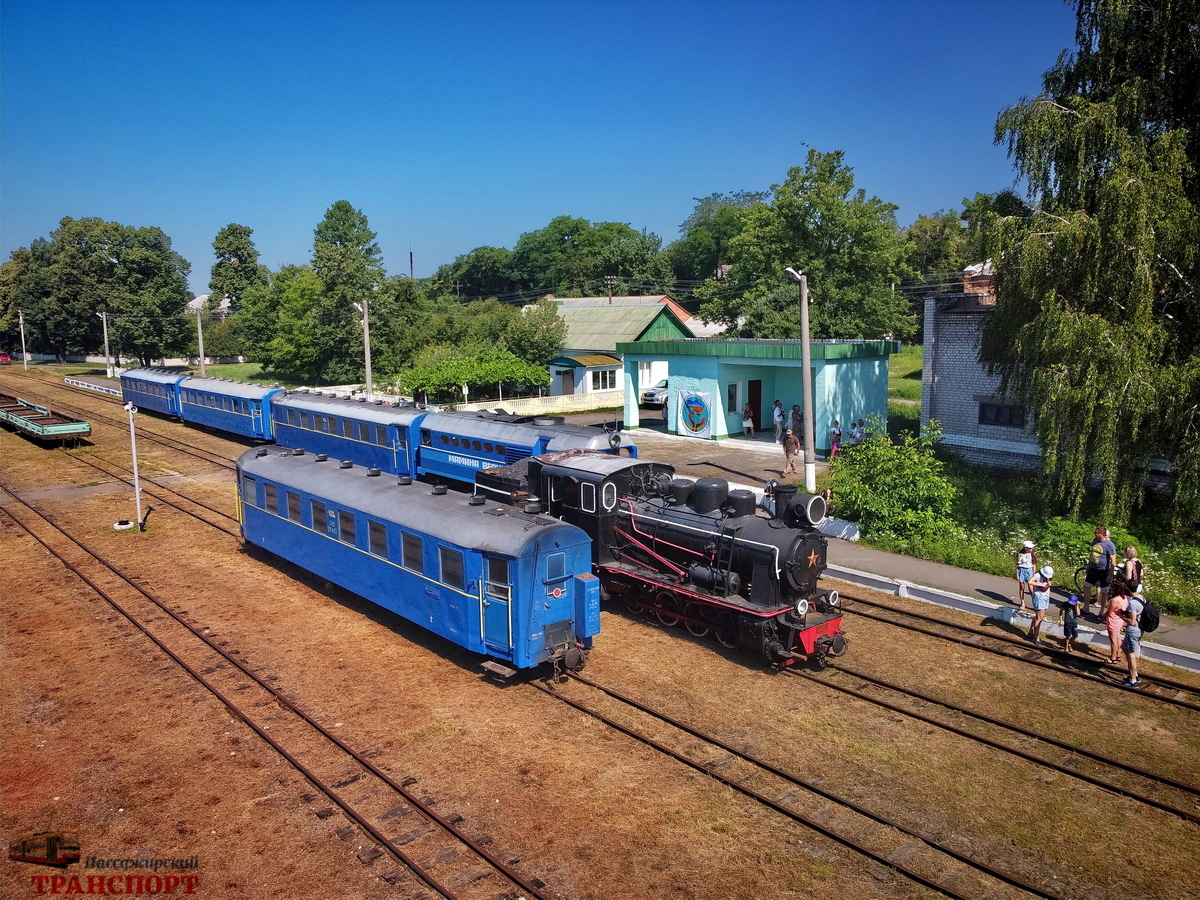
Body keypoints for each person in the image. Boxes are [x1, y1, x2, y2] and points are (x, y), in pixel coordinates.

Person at [1081, 526, 1118, 617]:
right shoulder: (1095, 541)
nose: (1095, 535)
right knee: (1087, 586)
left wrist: (1110, 574)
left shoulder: (1109, 545)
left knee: (1104, 590)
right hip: (1093, 568)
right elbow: (1092, 554)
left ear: (1101, 534)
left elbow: (1113, 560)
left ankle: (1101, 611)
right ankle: (1086, 607)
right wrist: (1089, 565)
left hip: (1104, 570)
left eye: (1097, 533)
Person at [1120, 594, 1144, 687]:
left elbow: (1132, 621)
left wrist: (1120, 615)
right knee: (1124, 647)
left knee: (1131, 654)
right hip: (1138, 629)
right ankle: (1135, 675)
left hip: (1133, 631)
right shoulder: (1141, 597)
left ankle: (1133, 680)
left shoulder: (1133, 603)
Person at [1102, 587, 1130, 664]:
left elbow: (1110, 611)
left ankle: (1113, 657)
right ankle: (1118, 655)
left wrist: (1104, 614)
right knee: (1118, 638)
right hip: (1119, 620)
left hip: (1113, 620)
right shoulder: (1124, 598)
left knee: (1113, 640)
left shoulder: (1115, 600)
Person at [1027, 565, 1053, 645]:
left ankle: (1031, 632)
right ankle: (1036, 637)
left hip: (1044, 597)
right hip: (1039, 597)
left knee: (1038, 617)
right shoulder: (1037, 575)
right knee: (1039, 618)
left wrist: (1049, 582)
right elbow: (1030, 581)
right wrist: (1040, 585)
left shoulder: (1046, 577)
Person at [1015, 540, 1038, 610]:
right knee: (1022, 587)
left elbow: (1034, 564)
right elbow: (1017, 565)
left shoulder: (1032, 553)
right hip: (1022, 570)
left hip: (1029, 570)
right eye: (1030, 548)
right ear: (1025, 548)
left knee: (1031, 589)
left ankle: (1035, 604)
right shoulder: (1020, 554)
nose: (1031, 549)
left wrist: (1034, 574)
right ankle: (1022, 603)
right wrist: (1017, 574)